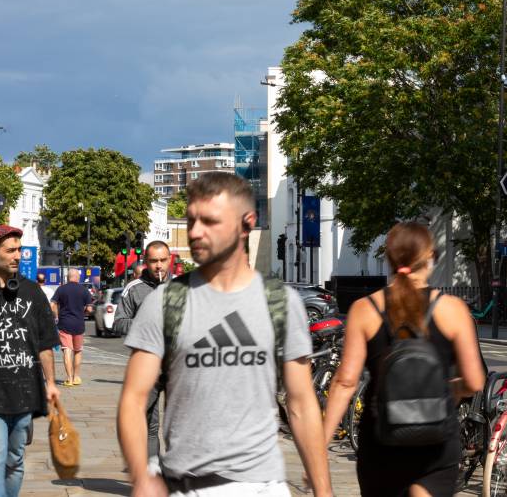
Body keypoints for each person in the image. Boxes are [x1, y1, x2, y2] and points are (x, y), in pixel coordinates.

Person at [118, 172, 331, 497]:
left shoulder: (279, 301)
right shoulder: (165, 302)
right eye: (191, 221)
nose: (195, 232)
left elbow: (301, 403)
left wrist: (323, 489)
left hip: (263, 485)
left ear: (247, 223)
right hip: (188, 486)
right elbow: (133, 399)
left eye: (210, 221)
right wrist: (141, 476)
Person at [321, 222, 485, 497]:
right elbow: (474, 380)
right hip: (436, 438)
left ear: (388, 259)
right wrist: (451, 389)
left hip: (382, 437)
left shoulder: (365, 309)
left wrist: (321, 442)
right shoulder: (452, 309)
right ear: (430, 258)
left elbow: (345, 382)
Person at [0, 225, 60, 497]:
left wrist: (51, 383)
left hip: (25, 393)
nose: (17, 256)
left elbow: (46, 344)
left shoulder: (33, 293)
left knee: (14, 461)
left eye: (19, 250)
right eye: (10, 250)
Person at [112, 240, 172, 464]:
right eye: (154, 261)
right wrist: (146, 324)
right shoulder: (134, 288)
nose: (158, 266)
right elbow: (118, 323)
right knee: (149, 423)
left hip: (178, 366)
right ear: (145, 262)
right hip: (148, 366)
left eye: (163, 260)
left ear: (170, 260)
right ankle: (151, 473)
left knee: (179, 425)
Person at [51, 268, 94, 387]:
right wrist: (84, 312)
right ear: (78, 278)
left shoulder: (61, 289)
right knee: (78, 351)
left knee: (67, 350)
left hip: (64, 323)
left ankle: (69, 379)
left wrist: (56, 316)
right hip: (79, 324)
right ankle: (76, 377)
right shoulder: (84, 290)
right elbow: (90, 309)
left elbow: (52, 304)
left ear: (67, 277)